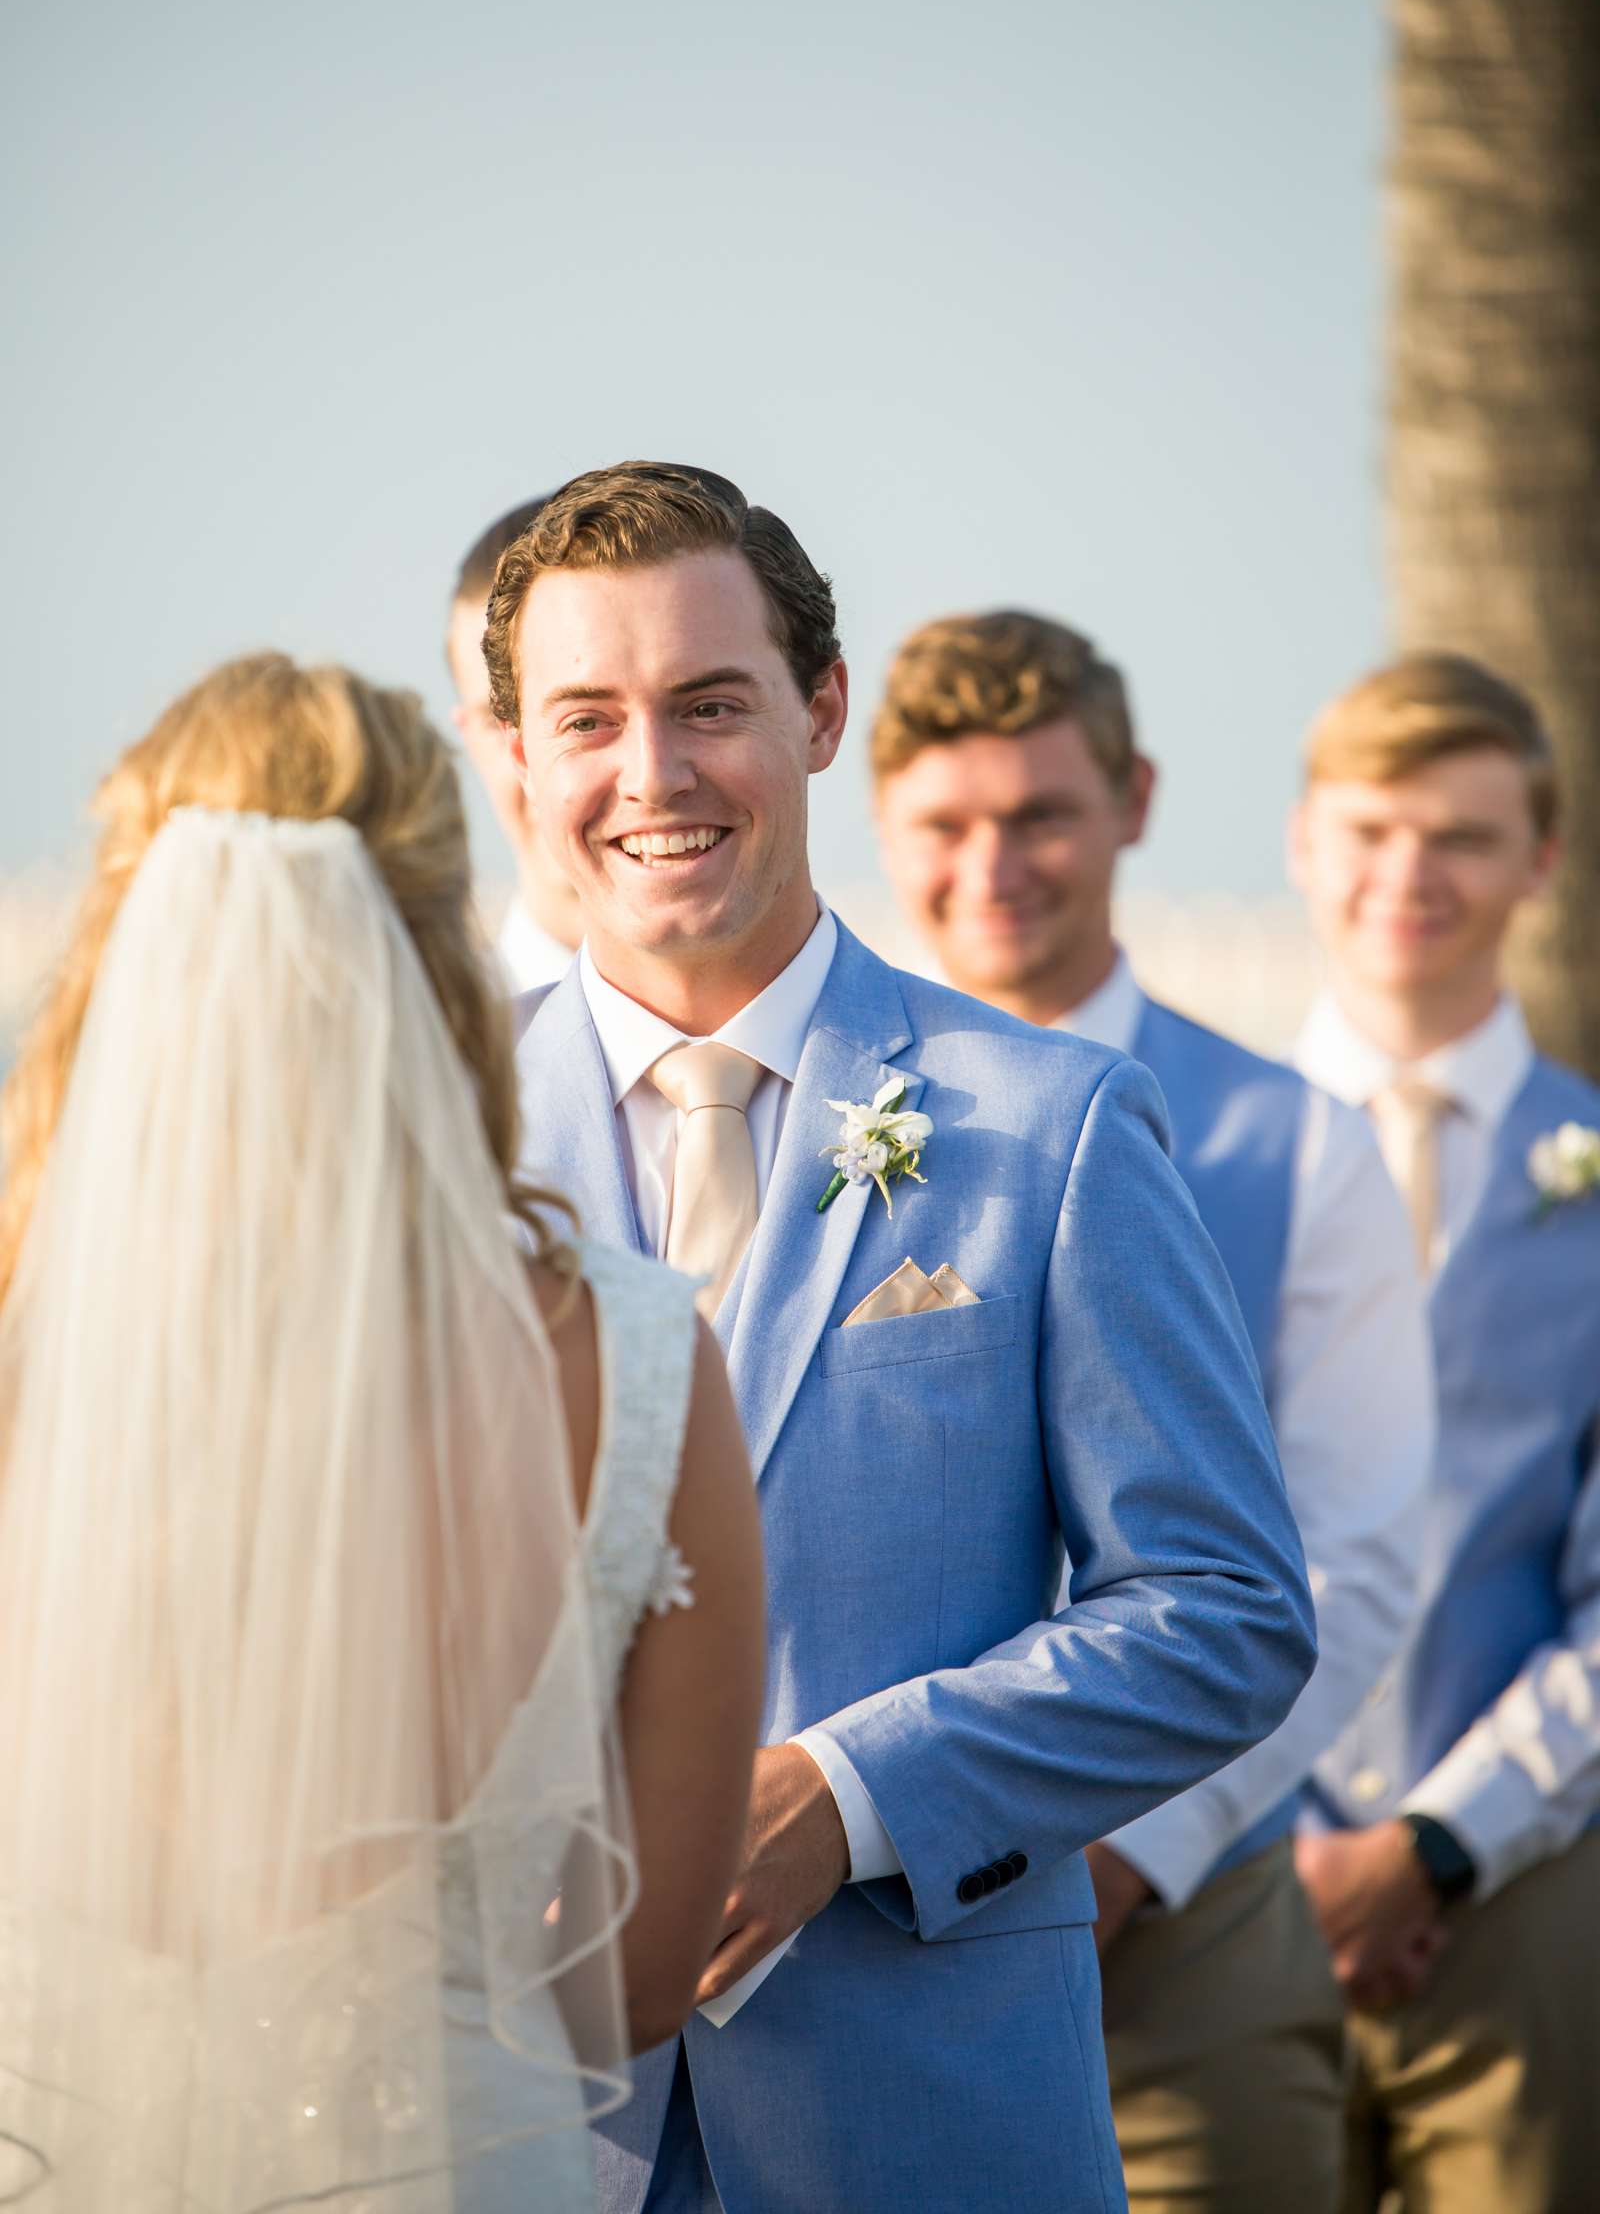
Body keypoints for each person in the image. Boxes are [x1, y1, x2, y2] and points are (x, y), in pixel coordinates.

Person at [494, 462, 1317, 2214]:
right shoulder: (415, 1138)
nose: (653, 776)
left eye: (711, 704)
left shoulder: (1061, 1121)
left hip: (929, 2124)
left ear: (819, 713)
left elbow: (1227, 1611)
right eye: (588, 718)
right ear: (515, 758)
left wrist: (855, 1796)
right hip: (494, 2119)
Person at [0, 654, 764, 2213]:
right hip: (467, 2154)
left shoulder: (26, 1342)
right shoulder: (629, 1356)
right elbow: (640, 1983)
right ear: (437, 940)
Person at [870, 609, 1434, 2214]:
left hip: (1193, 1924)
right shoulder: (812, 1116)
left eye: (1043, 814)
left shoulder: (1301, 1143)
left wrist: (1131, 1852)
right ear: (883, 822)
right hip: (863, 1918)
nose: (997, 865)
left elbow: (1358, 1552)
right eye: (947, 825)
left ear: (1136, 800)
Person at [1289, 652, 1600, 2214]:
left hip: (1530, 1890)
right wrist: (1257, 1834)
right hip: (1214, 1881)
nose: (1409, 875)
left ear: (1539, 860)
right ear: (1302, 845)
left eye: (1464, 837)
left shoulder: (1594, 1179)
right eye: (1370, 830)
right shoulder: (1171, 1144)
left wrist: (1438, 1842)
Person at [449, 496, 585, 987]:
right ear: (470, 737)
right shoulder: (433, 1043)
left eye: (584, 719)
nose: (541, 759)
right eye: (500, 717)